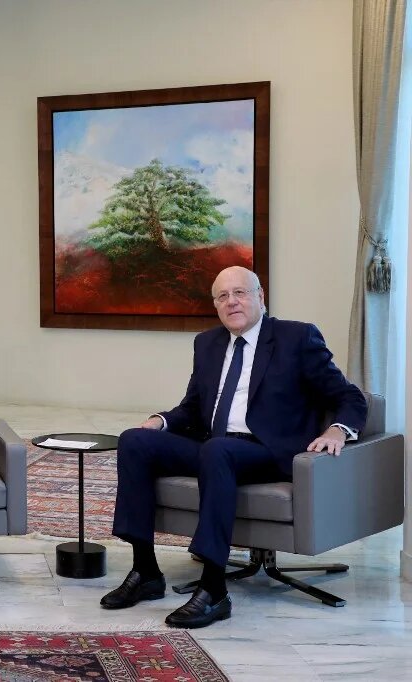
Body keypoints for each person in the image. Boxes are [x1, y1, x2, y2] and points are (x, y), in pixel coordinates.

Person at [103, 266, 366, 628]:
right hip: (216, 448)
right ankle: (145, 571)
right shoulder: (208, 343)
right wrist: (160, 422)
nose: (232, 302)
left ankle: (213, 590)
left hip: (268, 452)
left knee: (218, 450)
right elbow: (192, 408)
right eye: (223, 296)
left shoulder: (297, 338)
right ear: (215, 305)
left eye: (240, 293)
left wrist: (338, 430)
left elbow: (349, 397)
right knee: (135, 440)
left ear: (261, 296)